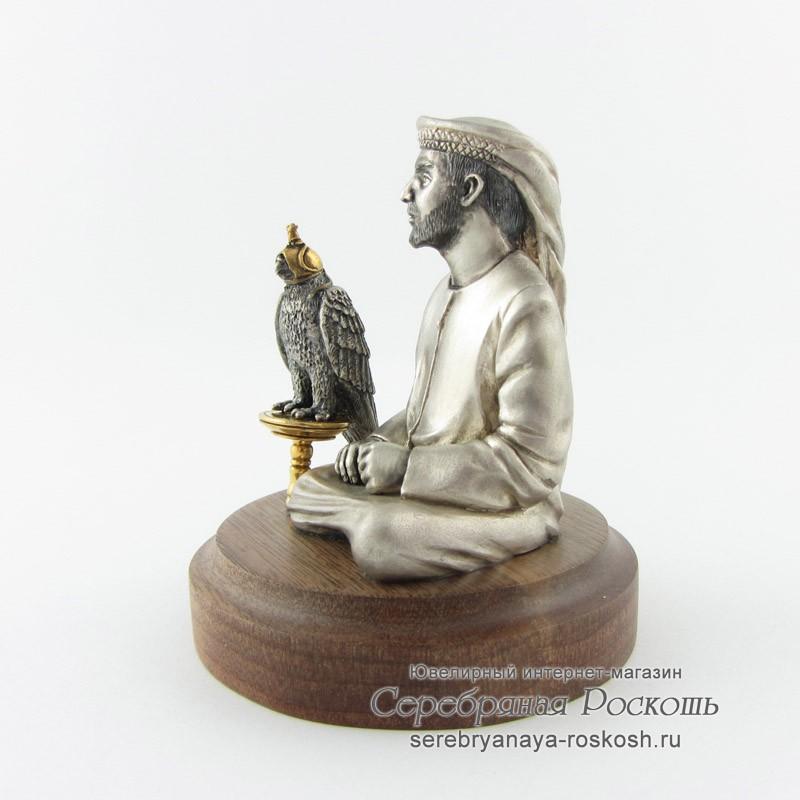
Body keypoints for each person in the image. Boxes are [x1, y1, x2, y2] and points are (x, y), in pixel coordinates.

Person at [287, 116, 573, 581]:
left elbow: (531, 467)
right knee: (307, 492)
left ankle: (376, 525)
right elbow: (426, 419)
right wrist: (381, 442)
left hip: (508, 505)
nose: (407, 193)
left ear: (469, 189)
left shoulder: (525, 302)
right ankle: (370, 519)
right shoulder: (444, 292)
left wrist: (406, 469)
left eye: (423, 177)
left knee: (381, 538)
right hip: (429, 488)